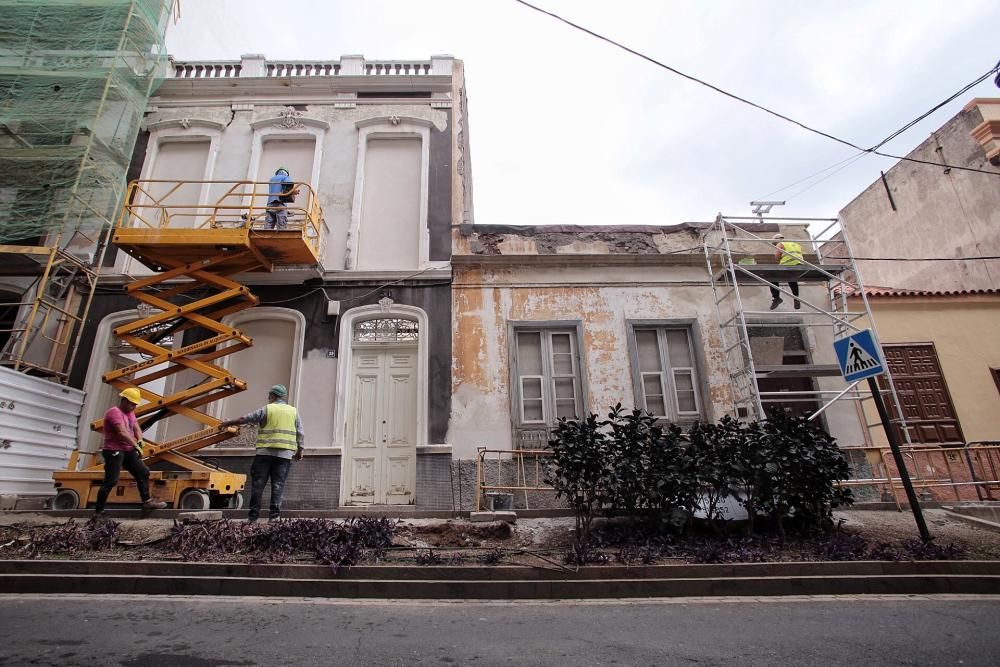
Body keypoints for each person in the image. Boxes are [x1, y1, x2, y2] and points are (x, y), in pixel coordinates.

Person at [220, 384, 304, 522]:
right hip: (284, 456)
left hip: (264, 454)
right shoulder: (293, 412)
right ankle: (274, 517)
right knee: (278, 485)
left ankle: (253, 518)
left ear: (272, 396)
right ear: (283, 397)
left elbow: (245, 419)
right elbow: (301, 433)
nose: (268, 398)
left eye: (269, 396)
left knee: (258, 485)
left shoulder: (267, 409)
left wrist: (228, 422)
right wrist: (300, 451)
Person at [94, 388, 167, 515]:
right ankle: (98, 512)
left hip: (127, 450)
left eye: (135, 404)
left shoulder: (130, 413)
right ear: (124, 400)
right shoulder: (114, 413)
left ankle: (147, 502)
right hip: (113, 450)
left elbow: (136, 427)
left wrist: (139, 440)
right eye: (132, 404)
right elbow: (121, 432)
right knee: (111, 480)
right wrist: (135, 445)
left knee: (143, 472)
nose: (134, 407)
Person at [769, 233, 804, 310]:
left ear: (776, 241)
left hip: (788, 264)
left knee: (772, 277)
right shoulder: (795, 244)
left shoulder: (780, 244)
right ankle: (796, 297)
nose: (775, 246)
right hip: (799, 265)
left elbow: (777, 256)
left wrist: (778, 257)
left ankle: (776, 297)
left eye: (774, 244)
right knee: (792, 279)